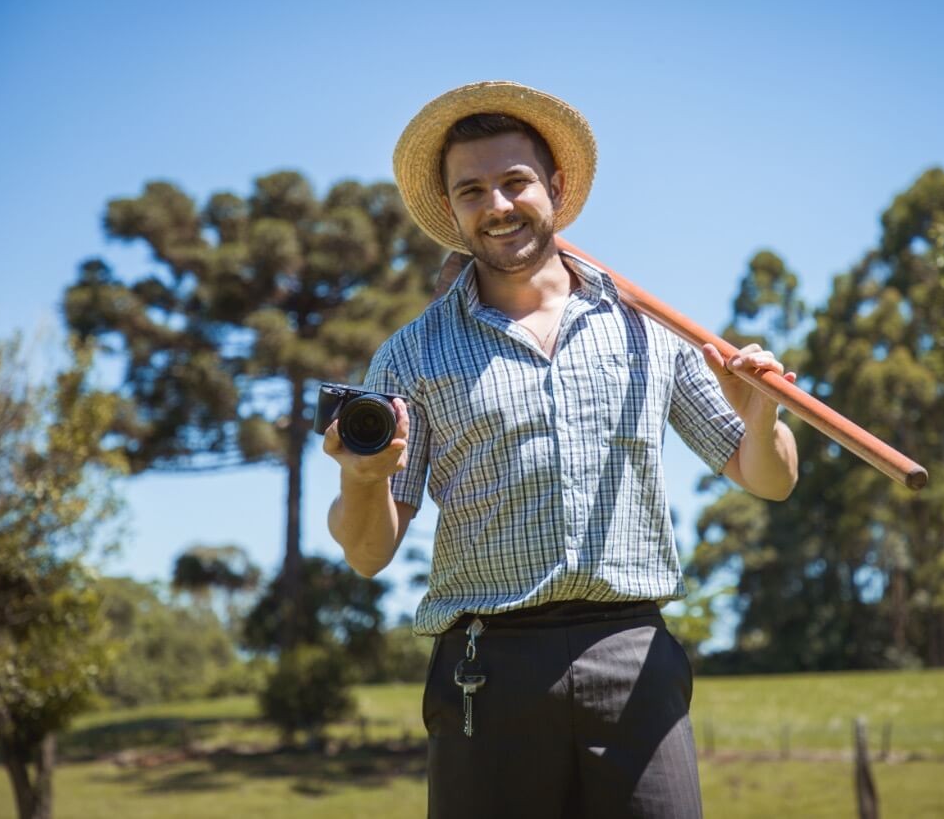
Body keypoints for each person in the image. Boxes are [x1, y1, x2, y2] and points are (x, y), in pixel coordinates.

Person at [325, 81, 798, 819]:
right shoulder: (409, 357)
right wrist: (363, 478)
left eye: (515, 182)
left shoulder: (647, 327)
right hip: (487, 670)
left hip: (633, 657)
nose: (497, 205)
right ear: (452, 210)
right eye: (472, 189)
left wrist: (763, 412)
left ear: (557, 185)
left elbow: (768, 478)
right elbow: (367, 552)